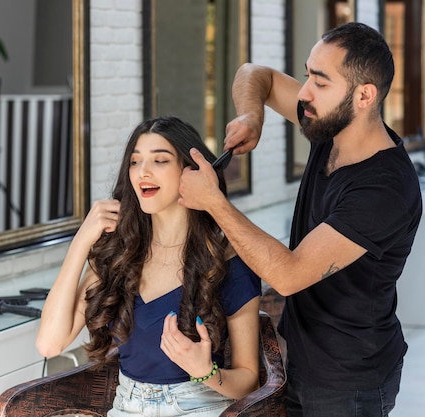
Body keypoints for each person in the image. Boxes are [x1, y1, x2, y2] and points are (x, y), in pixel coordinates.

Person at [178, 22, 422, 417]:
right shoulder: (332, 127)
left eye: (320, 83)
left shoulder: (384, 189)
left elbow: (289, 275)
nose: (305, 93)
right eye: (308, 74)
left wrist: (214, 203)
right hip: (306, 357)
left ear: (364, 95)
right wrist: (252, 116)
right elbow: (256, 74)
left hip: (351, 379)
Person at [36, 115, 262, 417]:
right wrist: (81, 242)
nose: (143, 172)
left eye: (160, 160)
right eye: (134, 161)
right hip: (126, 406)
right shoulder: (119, 254)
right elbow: (50, 344)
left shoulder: (226, 262)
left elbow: (249, 380)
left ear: (190, 171)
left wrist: (206, 371)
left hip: (199, 406)